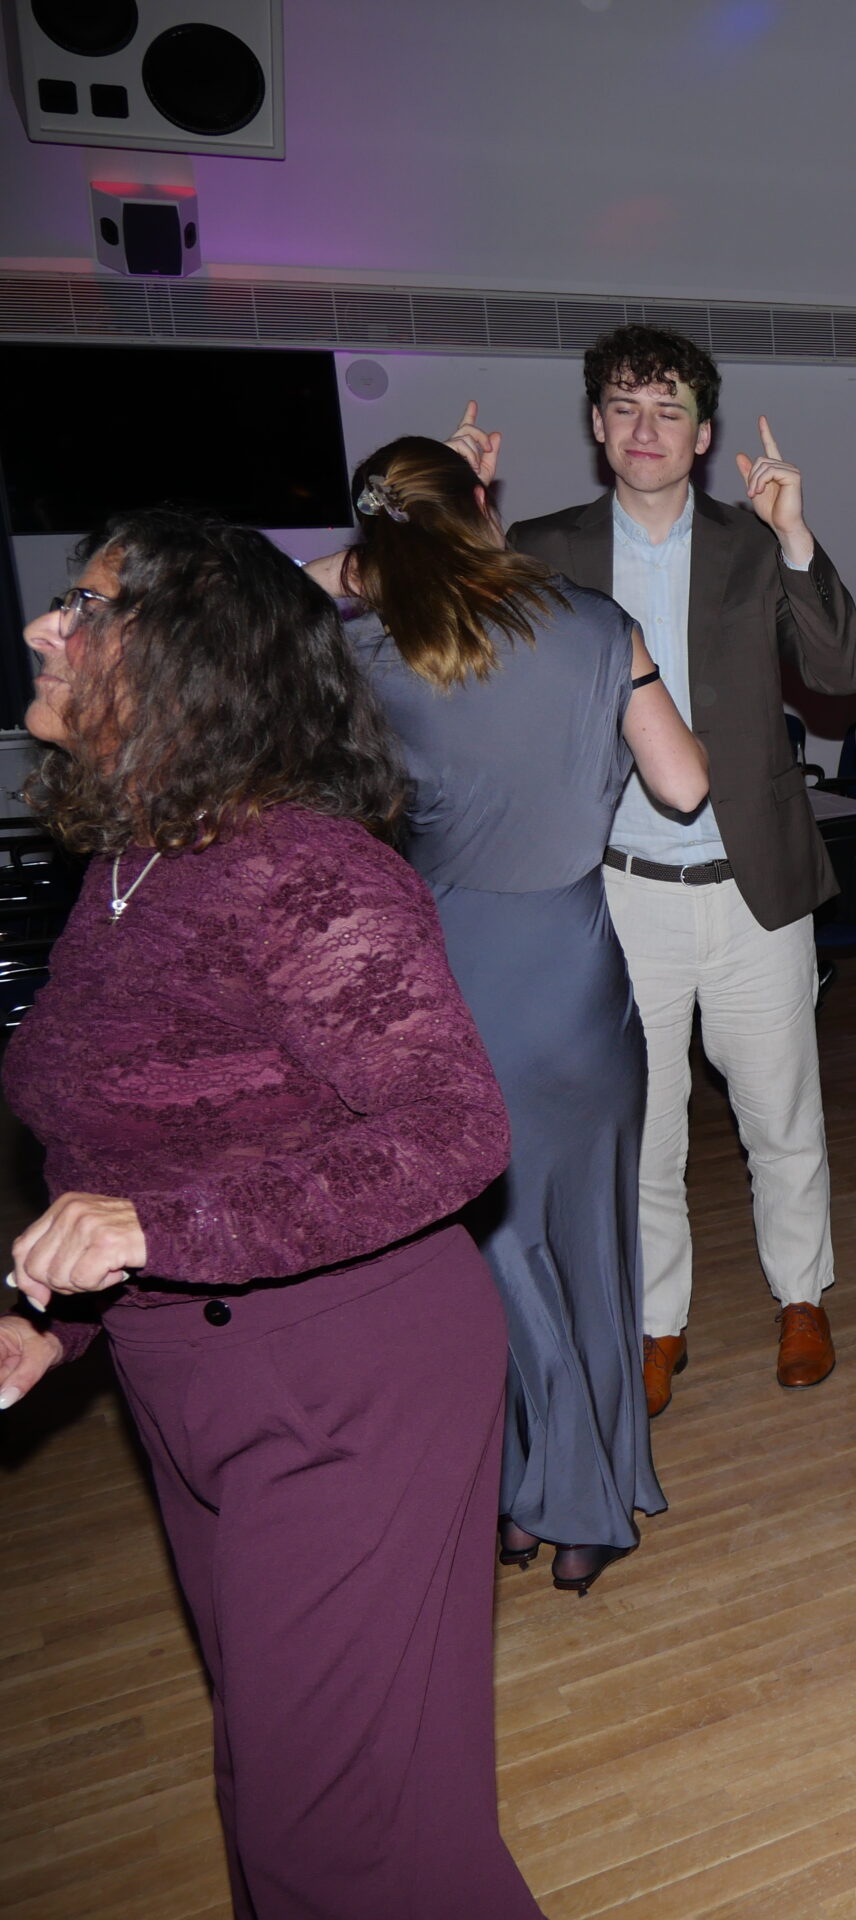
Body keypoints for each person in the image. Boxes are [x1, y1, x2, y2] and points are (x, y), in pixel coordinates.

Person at [0, 512, 537, 1913]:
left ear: (195, 654)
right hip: (196, 1375)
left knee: (338, 1835)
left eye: (84, 606)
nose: (44, 627)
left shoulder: (302, 869)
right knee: (286, 1792)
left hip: (346, 1380)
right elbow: (131, 1137)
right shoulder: (132, 862)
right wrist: (57, 1324)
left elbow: (454, 1129)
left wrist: (154, 1235)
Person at [313, 433, 710, 1595]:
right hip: (579, 978)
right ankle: (586, 1500)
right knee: (592, 1239)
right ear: (483, 502)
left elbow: (258, 606)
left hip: (449, 976)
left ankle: (529, 1493)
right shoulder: (595, 624)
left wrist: (371, 548)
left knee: (491, 1248)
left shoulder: (369, 648)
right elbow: (684, 784)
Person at [502, 325, 856, 1410]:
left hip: (755, 885)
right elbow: (482, 672)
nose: (645, 429)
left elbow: (842, 670)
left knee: (782, 1118)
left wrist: (796, 535)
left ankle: (801, 1295)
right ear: (596, 425)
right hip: (618, 892)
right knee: (644, 1130)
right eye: (624, 408)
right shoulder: (543, 546)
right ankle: (657, 1321)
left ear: (703, 434)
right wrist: (448, 526)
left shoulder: (755, 543)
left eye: (668, 411)